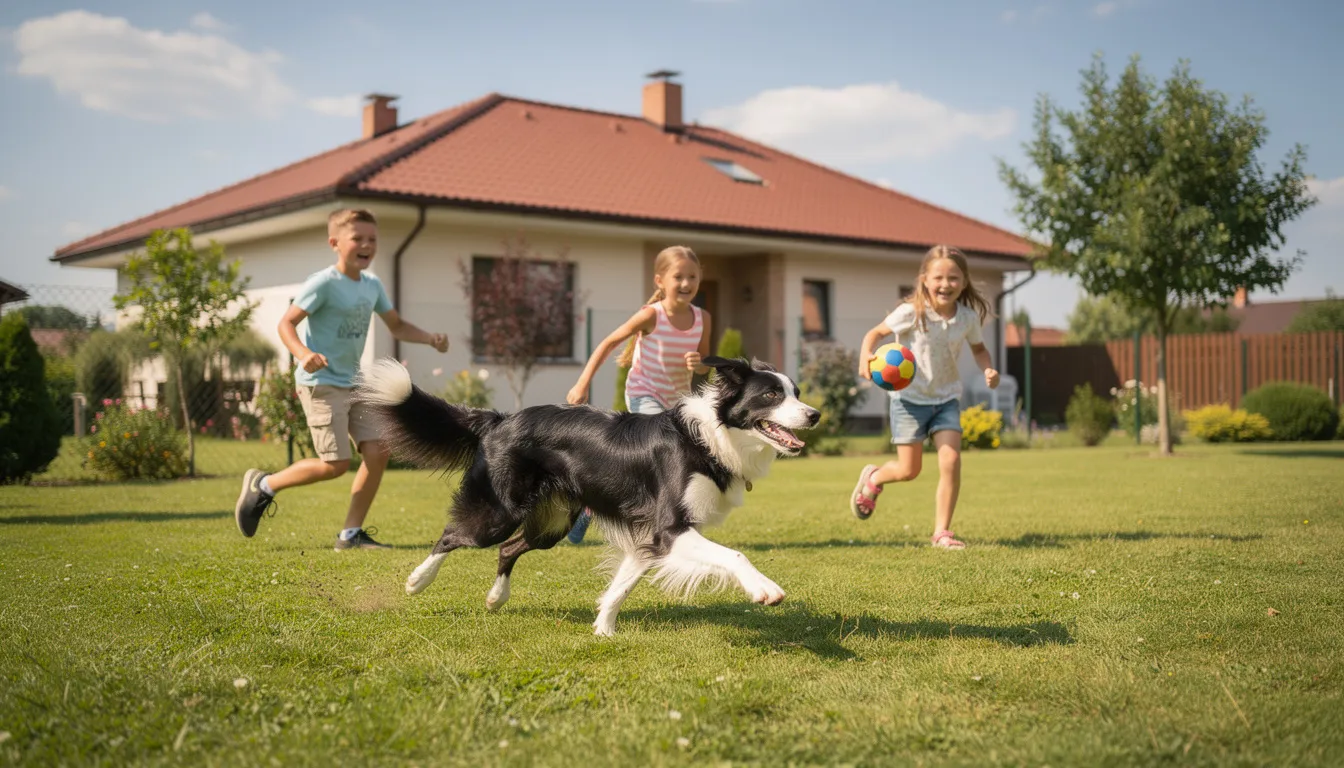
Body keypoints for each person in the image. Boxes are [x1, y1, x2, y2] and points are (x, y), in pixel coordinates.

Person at [234, 208, 449, 550]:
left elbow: (396, 326)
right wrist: (304, 354)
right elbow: (285, 324)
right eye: (357, 238)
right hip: (320, 383)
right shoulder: (323, 284)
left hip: (353, 382)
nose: (366, 245)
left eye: (372, 239)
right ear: (334, 242)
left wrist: (429, 338)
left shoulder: (372, 285)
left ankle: (350, 535)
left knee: (378, 453)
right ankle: (265, 485)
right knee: (334, 464)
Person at [849, 244, 999, 549]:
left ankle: (942, 532)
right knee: (909, 471)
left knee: (951, 459)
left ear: (965, 281)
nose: (946, 284)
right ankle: (875, 478)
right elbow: (874, 335)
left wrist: (988, 370)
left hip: (946, 399)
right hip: (908, 400)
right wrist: (865, 355)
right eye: (939, 277)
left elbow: (980, 349)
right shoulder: (910, 313)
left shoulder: (968, 318)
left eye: (954, 278)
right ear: (925, 280)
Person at [563, 245, 712, 543]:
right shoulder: (651, 315)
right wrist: (582, 383)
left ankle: (589, 507)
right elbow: (608, 343)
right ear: (660, 281)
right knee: (658, 458)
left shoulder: (702, 318)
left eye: (692, 277)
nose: (686, 284)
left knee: (663, 462)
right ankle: (660, 525)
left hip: (676, 402)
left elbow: (705, 362)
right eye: (678, 276)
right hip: (645, 393)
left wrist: (700, 363)